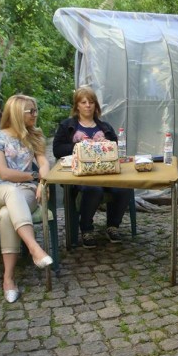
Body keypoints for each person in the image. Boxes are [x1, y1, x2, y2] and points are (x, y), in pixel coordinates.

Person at [0, 95, 53, 303]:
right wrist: (34, 176)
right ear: (17, 113)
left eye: (36, 110)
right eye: (31, 111)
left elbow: (44, 163)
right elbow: (4, 174)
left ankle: (8, 279)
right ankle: (34, 248)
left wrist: (42, 181)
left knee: (6, 214)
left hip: (25, 191)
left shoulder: (34, 136)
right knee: (11, 191)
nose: (35, 114)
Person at [53, 86, 133, 248]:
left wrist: (107, 144)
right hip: (80, 175)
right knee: (93, 189)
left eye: (91, 102)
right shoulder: (67, 126)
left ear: (96, 105)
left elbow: (116, 149)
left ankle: (113, 227)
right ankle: (86, 229)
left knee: (124, 188)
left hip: (106, 173)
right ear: (77, 106)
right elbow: (57, 150)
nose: (88, 105)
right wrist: (78, 146)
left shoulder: (105, 127)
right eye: (83, 102)